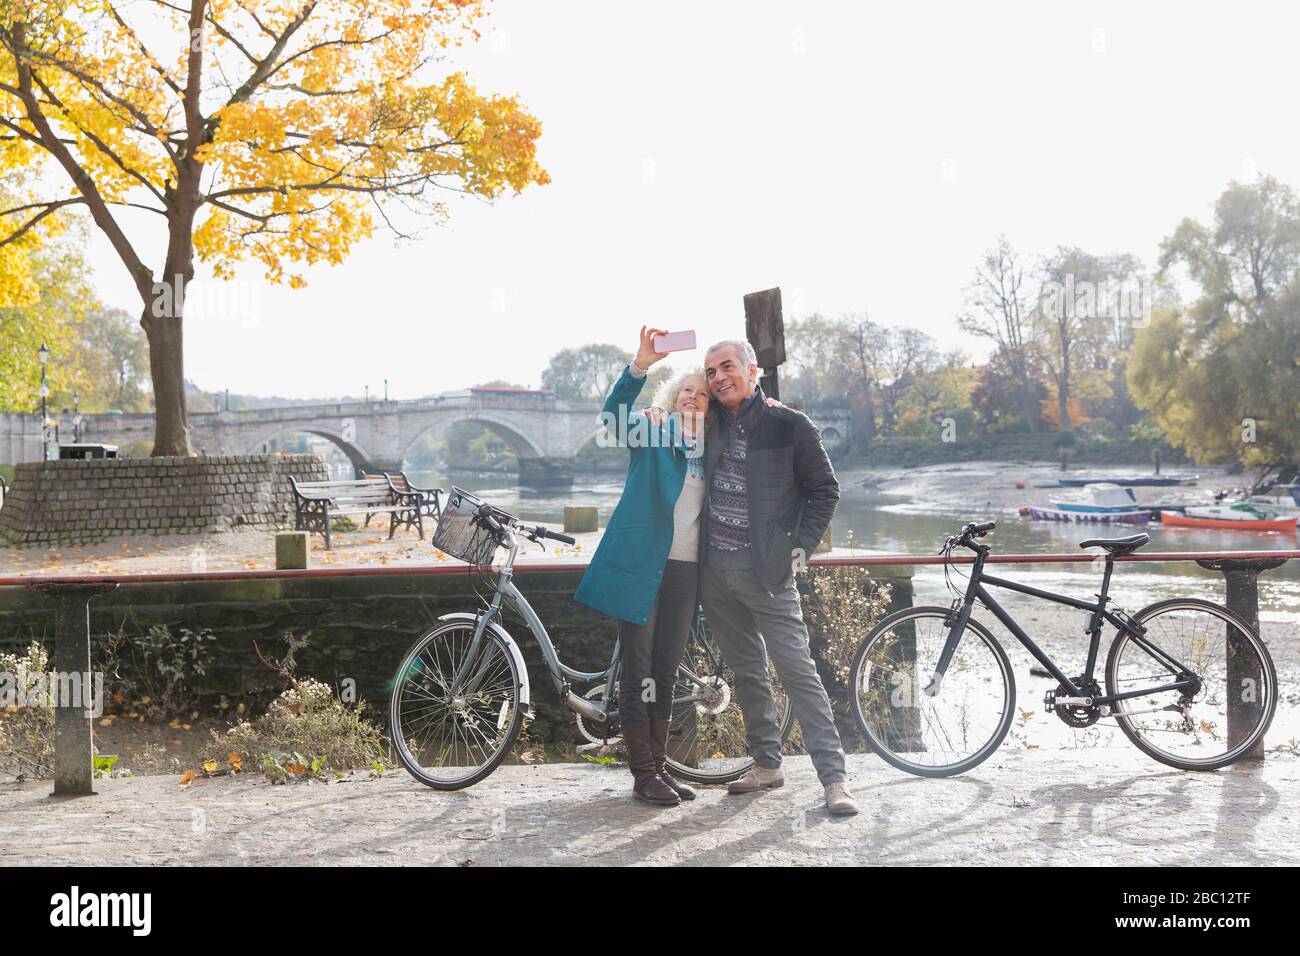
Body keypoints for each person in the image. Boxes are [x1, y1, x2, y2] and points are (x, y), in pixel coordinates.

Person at [651, 339, 858, 815]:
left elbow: (824, 489)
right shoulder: (715, 419)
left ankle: (835, 779)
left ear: (752, 370)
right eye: (711, 371)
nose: (719, 377)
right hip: (715, 575)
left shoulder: (791, 425)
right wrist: (654, 412)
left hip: (768, 575)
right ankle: (767, 764)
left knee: (798, 672)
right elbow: (680, 409)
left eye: (728, 367)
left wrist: (799, 547)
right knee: (746, 673)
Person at [573, 326, 710, 807]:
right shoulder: (652, 430)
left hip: (686, 571)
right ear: (674, 400)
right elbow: (610, 419)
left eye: (702, 394)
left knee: (667, 670)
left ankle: (660, 768)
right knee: (639, 667)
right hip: (641, 567)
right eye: (686, 392)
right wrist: (639, 368)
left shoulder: (714, 452)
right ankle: (643, 774)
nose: (693, 398)